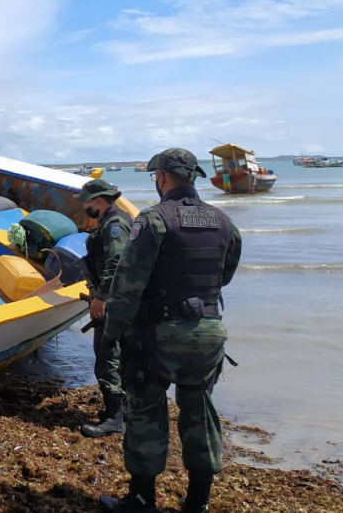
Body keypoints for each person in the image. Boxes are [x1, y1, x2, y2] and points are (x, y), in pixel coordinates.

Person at [98, 148, 242, 513]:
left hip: (157, 334)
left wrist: (113, 331)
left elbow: (128, 283)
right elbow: (224, 274)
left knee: (145, 412)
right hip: (209, 332)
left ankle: (143, 500)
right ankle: (198, 503)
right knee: (200, 410)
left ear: (161, 177)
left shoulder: (153, 220)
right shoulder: (223, 221)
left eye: (155, 178)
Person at [76, 178, 133, 438]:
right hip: (115, 299)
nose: (84, 207)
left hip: (113, 301)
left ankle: (115, 419)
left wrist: (101, 298)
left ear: (98, 200)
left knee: (107, 359)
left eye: (86, 202)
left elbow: (117, 262)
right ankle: (121, 411)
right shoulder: (110, 221)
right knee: (116, 356)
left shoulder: (115, 224)